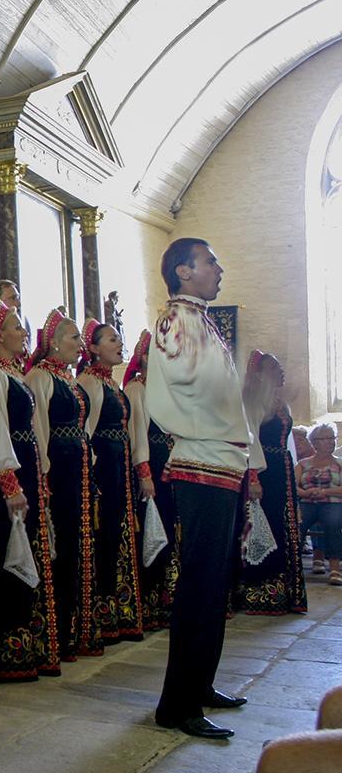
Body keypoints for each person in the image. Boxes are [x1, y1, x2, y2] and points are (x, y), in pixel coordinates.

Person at [148, 237, 263, 740]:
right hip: (200, 464)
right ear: (183, 270)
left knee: (216, 583)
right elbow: (194, 391)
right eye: (210, 260)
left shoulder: (203, 322)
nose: (219, 268)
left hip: (222, 463)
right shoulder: (176, 321)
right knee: (198, 585)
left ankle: (201, 683)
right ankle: (177, 704)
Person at [0, 301, 60, 681]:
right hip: (7, 478)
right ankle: (7, 649)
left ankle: (26, 647)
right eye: (15, 327)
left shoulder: (14, 374)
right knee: (6, 556)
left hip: (27, 471)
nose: (24, 333)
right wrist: (9, 484)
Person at [25, 308, 103, 660]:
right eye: (73, 337)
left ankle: (76, 628)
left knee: (77, 543)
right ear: (54, 342)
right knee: (59, 545)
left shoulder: (71, 380)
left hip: (78, 470)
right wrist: (43, 471)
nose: (80, 344)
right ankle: (55, 633)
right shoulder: (41, 378)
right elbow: (37, 427)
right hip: (58, 470)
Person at [77, 319, 144, 644]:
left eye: (119, 338)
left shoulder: (113, 384)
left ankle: (117, 612)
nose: (119, 344)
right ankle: (99, 613)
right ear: (93, 348)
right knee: (102, 539)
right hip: (103, 469)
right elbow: (85, 433)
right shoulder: (89, 382)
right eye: (111, 339)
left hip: (119, 468)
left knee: (117, 536)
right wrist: (91, 477)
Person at [235, 351, 308, 615]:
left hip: (282, 471)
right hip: (264, 472)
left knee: (284, 524)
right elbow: (250, 441)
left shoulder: (280, 403)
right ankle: (261, 592)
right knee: (265, 526)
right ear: (262, 373)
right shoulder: (253, 402)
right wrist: (253, 477)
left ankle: (286, 592)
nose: (282, 371)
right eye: (275, 367)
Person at [124, 330, 180, 631]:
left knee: (171, 531)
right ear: (145, 358)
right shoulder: (137, 389)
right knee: (153, 532)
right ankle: (152, 601)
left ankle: (171, 597)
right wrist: (144, 473)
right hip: (153, 470)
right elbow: (138, 435)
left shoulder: (163, 390)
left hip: (169, 468)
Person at [297, 423, 342, 585]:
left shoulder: (339, 463)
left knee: (333, 521)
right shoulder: (303, 464)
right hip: (308, 501)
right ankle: (294, 567)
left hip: (332, 502)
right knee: (297, 522)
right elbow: (292, 486)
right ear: (315, 442)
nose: (331, 442)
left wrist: (325, 492)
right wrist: (305, 493)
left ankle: (335, 568)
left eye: (333, 438)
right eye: (326, 438)